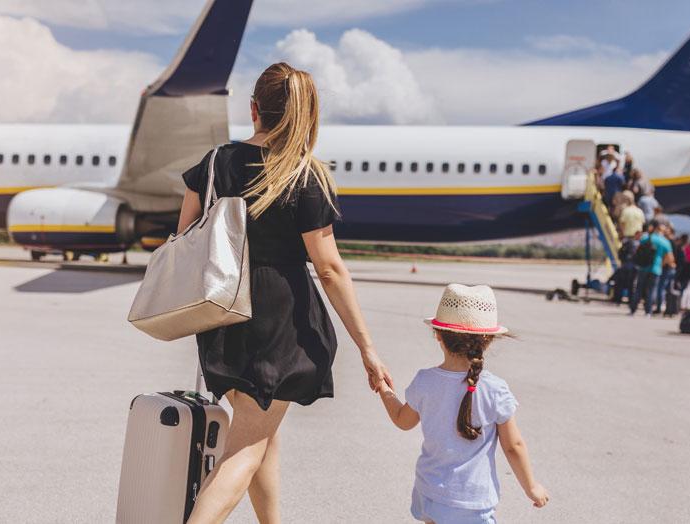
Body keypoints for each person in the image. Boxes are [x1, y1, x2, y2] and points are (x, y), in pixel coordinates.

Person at [179, 63, 392, 523]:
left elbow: (186, 236)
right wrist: (368, 349)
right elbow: (330, 269)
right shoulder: (303, 174)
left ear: (253, 109)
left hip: (223, 315)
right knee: (247, 447)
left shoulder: (214, 163)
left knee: (260, 436)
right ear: (306, 115)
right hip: (280, 326)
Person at [377, 284, 549, 523]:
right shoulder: (494, 389)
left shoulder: (425, 381)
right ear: (488, 340)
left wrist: (384, 389)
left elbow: (402, 421)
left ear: (438, 335)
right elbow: (513, 446)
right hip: (472, 501)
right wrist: (531, 487)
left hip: (430, 493)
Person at [630, 222, 674, 317]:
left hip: (643, 267)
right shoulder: (665, 242)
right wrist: (662, 264)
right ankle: (648, 311)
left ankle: (633, 310)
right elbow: (670, 259)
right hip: (656, 268)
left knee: (639, 289)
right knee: (651, 290)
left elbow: (638, 250)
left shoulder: (646, 238)